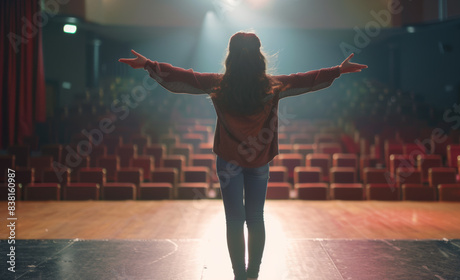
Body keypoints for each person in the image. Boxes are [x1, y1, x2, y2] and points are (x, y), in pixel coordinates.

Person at [119, 31, 367, 280]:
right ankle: (253, 275)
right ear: (259, 55)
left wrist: (149, 65)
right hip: (260, 161)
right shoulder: (272, 85)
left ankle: (239, 275)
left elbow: (182, 77)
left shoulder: (219, 84)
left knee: (234, 220)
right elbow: (304, 80)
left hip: (228, 160)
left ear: (231, 56)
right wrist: (338, 70)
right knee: (256, 218)